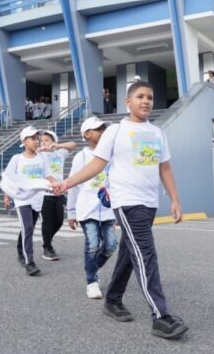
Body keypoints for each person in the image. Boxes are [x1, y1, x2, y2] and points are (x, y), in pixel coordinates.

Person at [53, 80, 188, 340]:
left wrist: (175, 199)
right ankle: (161, 317)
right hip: (127, 201)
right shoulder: (116, 131)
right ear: (128, 102)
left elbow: (165, 168)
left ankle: (112, 299)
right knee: (146, 253)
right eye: (140, 96)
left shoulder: (158, 132)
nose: (146, 101)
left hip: (149, 203)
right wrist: (67, 183)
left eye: (149, 97)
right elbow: (97, 164)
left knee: (130, 250)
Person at [67, 117, 117, 299]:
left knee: (111, 245)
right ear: (86, 134)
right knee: (93, 245)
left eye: (104, 128)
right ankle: (92, 281)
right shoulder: (81, 156)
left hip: (108, 209)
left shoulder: (112, 154)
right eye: (98, 129)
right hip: (87, 209)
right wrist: (71, 212)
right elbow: (72, 184)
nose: (103, 132)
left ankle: (92, 267)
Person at [3, 126, 55, 276]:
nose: (36, 141)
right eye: (33, 138)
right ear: (24, 141)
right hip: (21, 198)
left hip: (37, 198)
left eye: (37, 138)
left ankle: (20, 249)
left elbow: (48, 176)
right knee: (28, 227)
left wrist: (58, 185)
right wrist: (7, 196)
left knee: (28, 228)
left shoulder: (42, 158)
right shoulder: (16, 159)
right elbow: (8, 178)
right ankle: (29, 262)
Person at [38, 130, 77, 261]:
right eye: (42, 140)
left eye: (47, 140)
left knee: (59, 221)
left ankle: (47, 241)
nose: (44, 143)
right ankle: (47, 247)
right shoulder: (39, 155)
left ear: (53, 141)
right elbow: (44, 173)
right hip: (45, 193)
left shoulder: (60, 153)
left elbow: (73, 145)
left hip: (59, 193)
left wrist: (58, 146)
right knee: (47, 222)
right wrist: (54, 183)